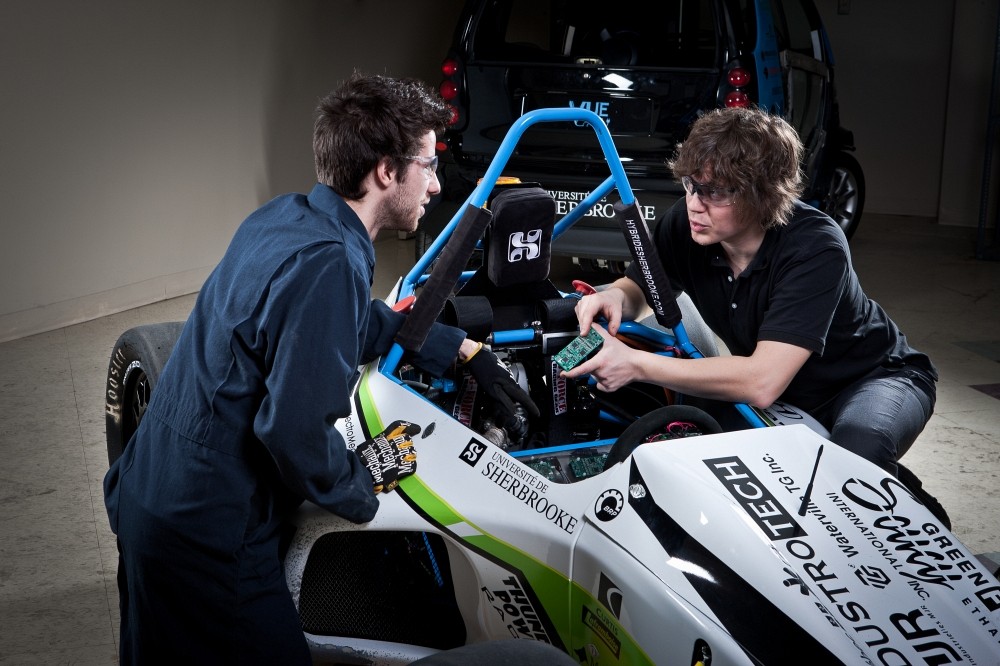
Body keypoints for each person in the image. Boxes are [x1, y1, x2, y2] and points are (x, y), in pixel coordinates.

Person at [103, 73, 536, 664]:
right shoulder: (331, 263)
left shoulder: (286, 218)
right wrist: (363, 483)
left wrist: (460, 350)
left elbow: (346, 323)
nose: (436, 184)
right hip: (208, 533)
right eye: (429, 166)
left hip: (150, 492)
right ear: (387, 171)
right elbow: (293, 433)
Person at [568, 106, 938, 481]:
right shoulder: (687, 224)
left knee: (856, 454)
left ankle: (899, 498)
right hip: (787, 388)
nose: (695, 203)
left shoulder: (815, 247)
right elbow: (642, 289)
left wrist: (636, 364)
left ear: (761, 194)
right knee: (693, 446)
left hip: (872, 380)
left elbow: (761, 383)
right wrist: (615, 296)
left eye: (714, 191)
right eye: (691, 185)